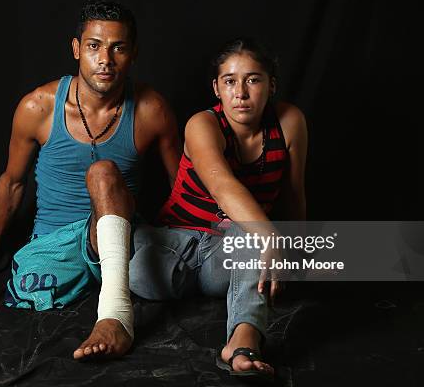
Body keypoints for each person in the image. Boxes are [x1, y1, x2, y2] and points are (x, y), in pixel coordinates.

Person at [0, 0, 181, 360]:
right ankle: (111, 289)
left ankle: (113, 316)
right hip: (56, 245)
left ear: (133, 53)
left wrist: (191, 241)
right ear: (77, 49)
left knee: (104, 173)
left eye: (118, 48)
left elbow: (179, 186)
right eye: (94, 46)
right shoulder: (38, 107)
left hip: (124, 238)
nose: (105, 59)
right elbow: (13, 183)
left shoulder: (152, 110)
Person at [129, 38, 307, 379]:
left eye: (253, 79)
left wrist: (293, 255)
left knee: (248, 229)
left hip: (224, 258)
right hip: (172, 250)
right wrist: (272, 238)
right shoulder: (203, 124)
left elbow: (294, 195)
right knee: (137, 256)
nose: (240, 92)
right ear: (217, 88)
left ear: (271, 85)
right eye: (229, 81)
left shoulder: (289, 122)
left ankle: (242, 341)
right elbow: (224, 188)